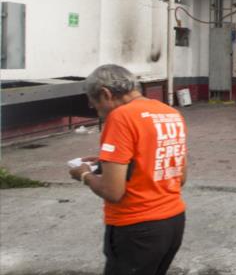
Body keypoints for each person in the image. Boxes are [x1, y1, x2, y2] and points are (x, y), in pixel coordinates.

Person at [69, 64, 188, 274]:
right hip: (173, 222)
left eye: (95, 104)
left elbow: (112, 192)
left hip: (136, 228)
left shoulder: (121, 117)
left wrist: (84, 174)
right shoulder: (170, 113)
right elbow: (179, 175)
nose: (96, 109)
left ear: (106, 93)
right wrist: (110, 160)